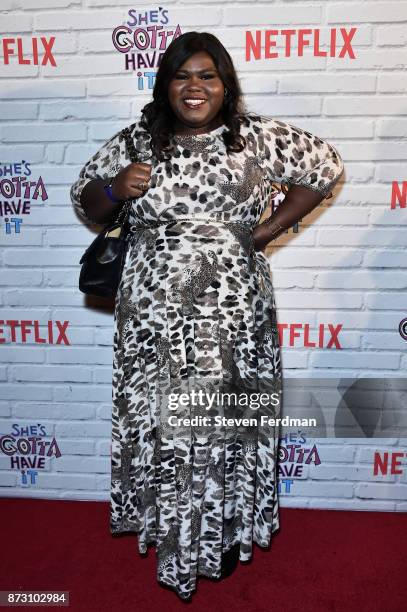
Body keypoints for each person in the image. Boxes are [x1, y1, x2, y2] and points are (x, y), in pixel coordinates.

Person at [70, 31, 344, 600]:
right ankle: (170, 531)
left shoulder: (258, 137)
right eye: (181, 76)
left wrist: (265, 231)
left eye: (207, 76)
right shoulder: (139, 139)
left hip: (233, 308)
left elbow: (324, 167)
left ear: (225, 85)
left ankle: (220, 533)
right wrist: (116, 188)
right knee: (164, 420)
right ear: (165, 84)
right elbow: (85, 200)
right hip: (153, 308)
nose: (194, 87)